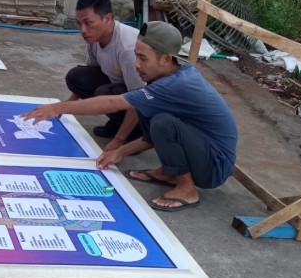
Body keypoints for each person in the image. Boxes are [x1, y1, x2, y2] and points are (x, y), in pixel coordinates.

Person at [22, 21, 238, 212]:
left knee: (162, 121)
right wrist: (119, 152)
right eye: (136, 55)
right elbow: (153, 136)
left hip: (214, 166)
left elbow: (114, 103)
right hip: (203, 151)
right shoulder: (169, 76)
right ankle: (169, 173)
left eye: (142, 58)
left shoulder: (176, 84)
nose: (136, 64)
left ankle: (187, 189)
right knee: (146, 108)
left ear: (166, 59)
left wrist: (59, 107)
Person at [64, 0, 144, 151]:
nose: (83, 30)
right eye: (79, 24)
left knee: (104, 93)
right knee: (76, 77)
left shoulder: (128, 48)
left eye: (88, 23)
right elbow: (92, 72)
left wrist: (119, 140)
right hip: (122, 88)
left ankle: (135, 132)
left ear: (107, 19)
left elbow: (140, 98)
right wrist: (66, 107)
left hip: (147, 106)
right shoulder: (94, 39)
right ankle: (118, 122)